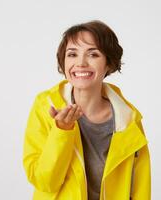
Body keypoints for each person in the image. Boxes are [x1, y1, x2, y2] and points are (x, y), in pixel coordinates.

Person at [23, 20, 151, 200]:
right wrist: (61, 131)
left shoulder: (128, 119)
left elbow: (140, 189)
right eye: (72, 54)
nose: (81, 63)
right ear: (63, 61)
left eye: (93, 54)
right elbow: (45, 182)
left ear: (108, 63)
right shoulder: (46, 106)